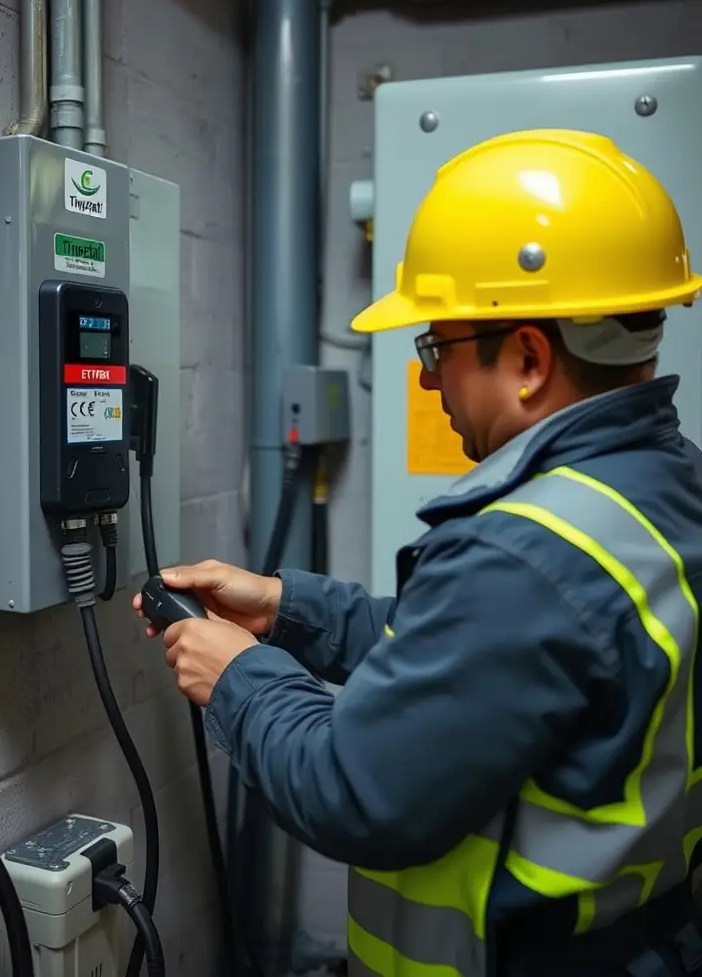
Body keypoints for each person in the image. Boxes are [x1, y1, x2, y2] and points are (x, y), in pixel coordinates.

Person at [134, 129, 702, 976]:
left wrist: (237, 677)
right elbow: (480, 663)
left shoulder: (524, 552)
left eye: (435, 347)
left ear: (529, 358)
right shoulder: (659, 489)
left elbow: (352, 791)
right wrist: (286, 607)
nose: (429, 380)